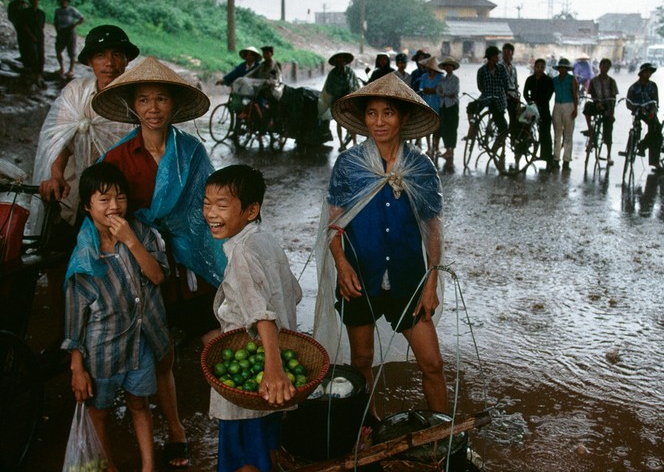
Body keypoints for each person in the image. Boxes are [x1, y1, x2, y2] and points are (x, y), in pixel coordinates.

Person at [94, 56, 226, 470]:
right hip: (144, 268)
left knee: (217, 343)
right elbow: (106, 218)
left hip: (192, 264)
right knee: (164, 355)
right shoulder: (116, 159)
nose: (153, 108)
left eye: (162, 99)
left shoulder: (192, 150)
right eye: (145, 100)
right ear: (134, 106)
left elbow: (211, 206)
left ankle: (234, 424)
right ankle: (176, 430)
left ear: (173, 105)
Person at [313, 73, 447, 415]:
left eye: (388, 113)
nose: (379, 121)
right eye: (371, 113)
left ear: (403, 117)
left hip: (408, 278)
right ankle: (369, 425)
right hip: (360, 275)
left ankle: (444, 431)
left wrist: (431, 281)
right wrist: (341, 263)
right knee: (361, 361)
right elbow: (335, 222)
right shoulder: (350, 164)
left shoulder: (420, 166)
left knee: (432, 363)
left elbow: (432, 227)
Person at [63, 162, 170, 472]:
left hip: (139, 342)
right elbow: (74, 317)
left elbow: (158, 277)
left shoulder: (141, 233)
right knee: (99, 411)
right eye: (104, 199)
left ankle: (148, 468)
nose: (114, 206)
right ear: (87, 206)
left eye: (120, 197)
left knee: (140, 405)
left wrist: (131, 241)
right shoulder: (84, 256)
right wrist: (76, 366)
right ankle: (109, 468)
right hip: (101, 350)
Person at [203, 165, 302, 472]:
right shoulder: (265, 240)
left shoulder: (243, 253)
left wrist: (272, 370)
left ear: (250, 210)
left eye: (222, 205)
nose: (210, 213)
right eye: (206, 203)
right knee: (265, 449)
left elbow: (262, 316)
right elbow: (293, 293)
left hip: (258, 377)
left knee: (245, 459)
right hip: (276, 362)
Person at [33, 24, 139, 233]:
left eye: (117, 54)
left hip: (119, 197)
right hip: (75, 191)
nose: (109, 63)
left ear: (127, 60)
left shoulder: (137, 98)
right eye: (100, 55)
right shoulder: (76, 91)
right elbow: (61, 139)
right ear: (90, 61)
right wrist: (56, 175)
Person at [626, 63, 664, 174]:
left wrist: (652, 111)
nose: (648, 74)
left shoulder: (653, 86)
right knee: (642, 126)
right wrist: (638, 108)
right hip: (638, 111)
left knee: (657, 130)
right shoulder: (633, 87)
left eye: (650, 72)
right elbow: (628, 103)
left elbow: (655, 102)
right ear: (641, 73)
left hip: (650, 112)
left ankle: (649, 154)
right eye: (646, 72)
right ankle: (640, 145)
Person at [318, 50, 361, 152]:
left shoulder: (350, 72)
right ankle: (341, 143)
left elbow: (355, 85)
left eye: (342, 58)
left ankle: (354, 143)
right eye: (339, 59)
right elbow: (329, 88)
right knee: (339, 122)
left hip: (349, 101)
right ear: (336, 61)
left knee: (351, 122)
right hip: (337, 101)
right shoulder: (332, 74)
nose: (341, 61)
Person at [523, 58, 555, 171]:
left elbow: (550, 93)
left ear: (544, 68)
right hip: (531, 108)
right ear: (534, 67)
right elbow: (525, 92)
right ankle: (523, 151)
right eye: (537, 67)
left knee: (545, 133)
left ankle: (547, 158)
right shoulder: (530, 79)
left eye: (542, 67)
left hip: (544, 109)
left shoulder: (548, 80)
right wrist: (530, 101)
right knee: (524, 128)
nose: (539, 69)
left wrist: (541, 102)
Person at [585, 58, 619, 163]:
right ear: (600, 67)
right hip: (597, 104)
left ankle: (608, 155)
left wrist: (612, 112)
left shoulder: (612, 82)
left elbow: (613, 97)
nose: (605, 69)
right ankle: (590, 128)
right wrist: (597, 102)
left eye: (607, 67)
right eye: (603, 66)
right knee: (587, 106)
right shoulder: (594, 81)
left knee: (608, 129)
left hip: (608, 106)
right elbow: (592, 94)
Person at [552, 58, 579, 170]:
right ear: (558, 69)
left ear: (567, 69)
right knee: (557, 133)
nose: (562, 70)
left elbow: (575, 94)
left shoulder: (572, 79)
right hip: (557, 105)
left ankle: (566, 160)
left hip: (569, 105)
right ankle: (556, 158)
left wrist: (575, 109)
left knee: (568, 134)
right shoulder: (554, 80)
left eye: (564, 68)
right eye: (561, 68)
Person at [476, 45, 509, 132]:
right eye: (496, 55)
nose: (498, 57)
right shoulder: (482, 70)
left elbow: (506, 84)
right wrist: (487, 92)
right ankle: (473, 131)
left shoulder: (501, 68)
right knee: (471, 108)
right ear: (491, 57)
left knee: (502, 125)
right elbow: (480, 86)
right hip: (486, 97)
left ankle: (500, 140)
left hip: (499, 99)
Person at [54, 0, 85, 78]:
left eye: (65, 1)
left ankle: (71, 70)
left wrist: (74, 25)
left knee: (71, 51)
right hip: (61, 32)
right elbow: (56, 21)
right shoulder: (58, 11)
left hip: (70, 32)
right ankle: (61, 68)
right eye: (61, 1)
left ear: (67, 2)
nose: (63, 2)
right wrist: (57, 31)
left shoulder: (72, 10)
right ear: (59, 2)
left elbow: (82, 18)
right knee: (58, 50)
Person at [436, 56, 461, 163]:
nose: (448, 67)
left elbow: (455, 92)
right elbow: (438, 90)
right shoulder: (442, 79)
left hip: (452, 106)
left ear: (452, 67)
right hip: (444, 105)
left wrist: (444, 93)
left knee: (453, 127)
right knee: (445, 128)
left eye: (450, 65)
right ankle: (447, 150)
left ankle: (452, 150)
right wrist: (445, 93)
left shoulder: (455, 79)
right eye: (446, 66)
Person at [418, 56, 443, 157]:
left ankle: (436, 146)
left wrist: (432, 90)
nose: (429, 70)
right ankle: (429, 147)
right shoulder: (424, 76)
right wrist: (428, 90)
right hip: (427, 103)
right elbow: (421, 88)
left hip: (438, 104)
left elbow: (440, 89)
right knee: (428, 126)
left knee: (437, 127)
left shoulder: (441, 77)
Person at [21, 0, 46, 87]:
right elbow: (25, 26)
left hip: (40, 36)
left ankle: (40, 73)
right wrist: (31, 35)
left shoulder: (41, 13)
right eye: (33, 0)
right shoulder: (26, 12)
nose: (35, 2)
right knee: (33, 55)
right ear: (30, 2)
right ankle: (33, 73)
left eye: (37, 0)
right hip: (29, 36)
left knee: (41, 55)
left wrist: (38, 35)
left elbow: (42, 25)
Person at [500, 43, 521, 132]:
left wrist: (517, 95)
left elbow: (516, 83)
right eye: (504, 52)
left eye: (509, 52)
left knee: (517, 116)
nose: (506, 54)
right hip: (503, 95)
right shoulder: (500, 66)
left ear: (512, 53)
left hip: (513, 94)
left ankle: (514, 136)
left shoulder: (513, 67)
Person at [7, 0, 29, 66]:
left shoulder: (26, 4)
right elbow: (10, 16)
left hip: (28, 26)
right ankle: (24, 56)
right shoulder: (13, 4)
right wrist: (16, 22)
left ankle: (27, 57)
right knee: (22, 40)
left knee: (27, 41)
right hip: (19, 25)